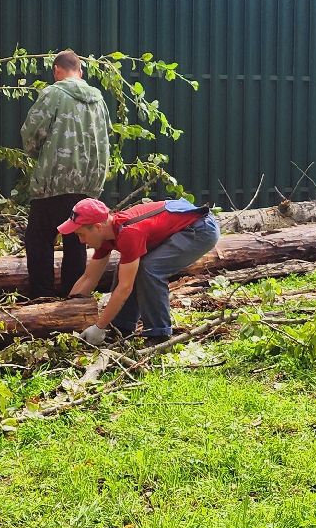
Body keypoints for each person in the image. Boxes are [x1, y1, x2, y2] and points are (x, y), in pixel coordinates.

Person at [62, 197, 220, 346]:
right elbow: (89, 277)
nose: (81, 241)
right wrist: (67, 314)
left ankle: (159, 335)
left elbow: (125, 287)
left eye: (81, 234)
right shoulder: (106, 235)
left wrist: (99, 326)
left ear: (97, 227)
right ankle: (121, 328)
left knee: (149, 269)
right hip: (180, 228)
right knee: (126, 268)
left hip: (200, 229)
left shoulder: (129, 232)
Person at [20, 50, 110, 299]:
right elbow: (105, 138)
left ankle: (42, 297)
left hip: (54, 181)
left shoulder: (53, 93)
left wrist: (38, 152)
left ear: (56, 71)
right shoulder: (99, 99)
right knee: (77, 241)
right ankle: (74, 298)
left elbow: (31, 134)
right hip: (88, 185)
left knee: (39, 239)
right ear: (80, 72)